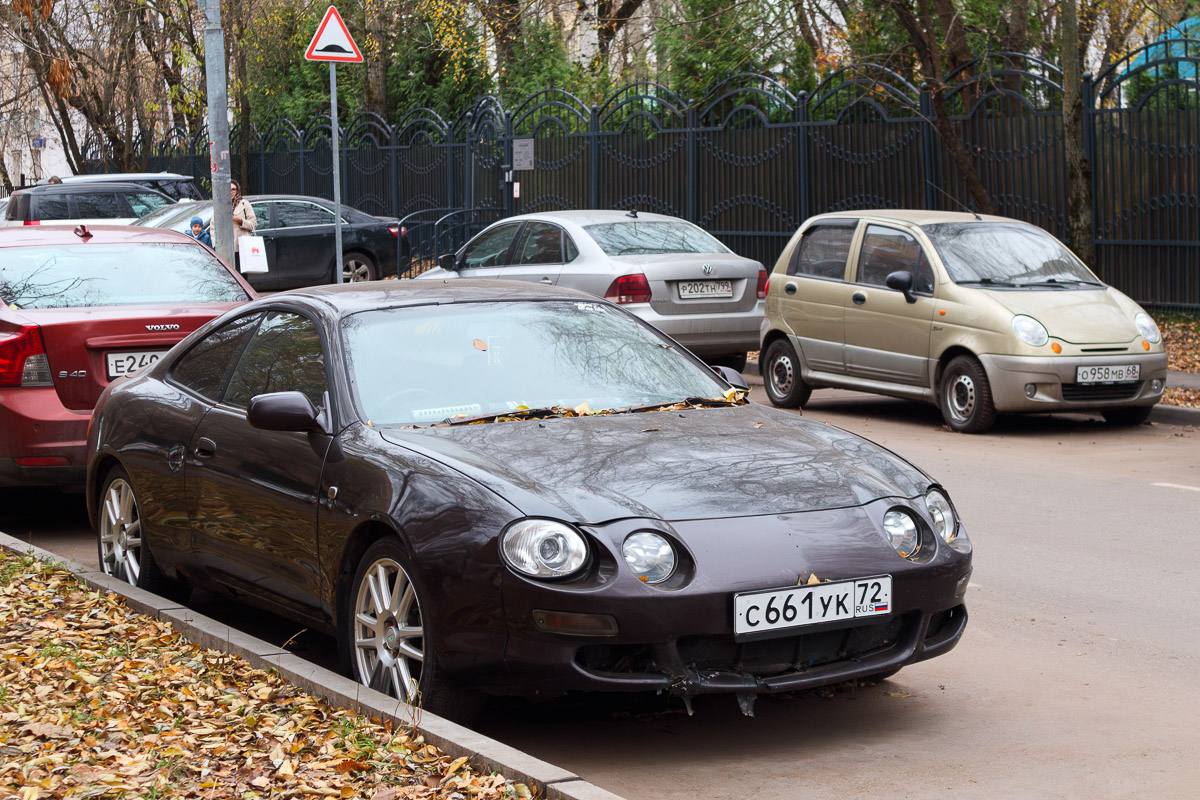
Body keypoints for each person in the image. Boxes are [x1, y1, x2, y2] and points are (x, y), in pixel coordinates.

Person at [230, 179, 257, 269]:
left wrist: (241, 221)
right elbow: (213, 226)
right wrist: (215, 245)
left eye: (233, 189)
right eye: (228, 189)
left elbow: (254, 224)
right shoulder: (221, 204)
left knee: (241, 276)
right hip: (225, 247)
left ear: (237, 190)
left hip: (241, 247)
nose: (231, 192)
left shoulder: (245, 204)